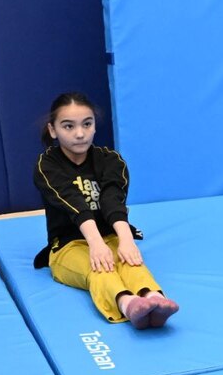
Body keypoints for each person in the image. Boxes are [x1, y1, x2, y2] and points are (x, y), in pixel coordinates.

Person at [32, 92, 178, 329]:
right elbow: (73, 203)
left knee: (131, 264)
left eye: (87, 124)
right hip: (68, 245)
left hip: (110, 236)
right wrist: (96, 244)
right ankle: (128, 305)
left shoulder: (110, 160)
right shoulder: (47, 165)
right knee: (100, 267)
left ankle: (154, 299)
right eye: (68, 126)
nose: (80, 133)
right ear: (53, 130)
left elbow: (113, 201)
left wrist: (126, 240)